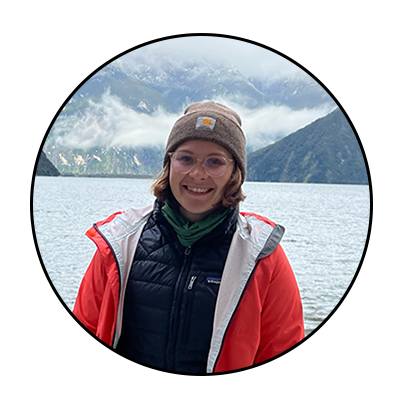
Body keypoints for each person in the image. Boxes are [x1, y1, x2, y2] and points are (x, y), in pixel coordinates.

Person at [73, 101, 304, 374]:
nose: (197, 173)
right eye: (185, 158)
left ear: (235, 173)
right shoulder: (120, 242)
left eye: (215, 162)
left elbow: (283, 352)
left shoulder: (261, 256)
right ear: (169, 163)